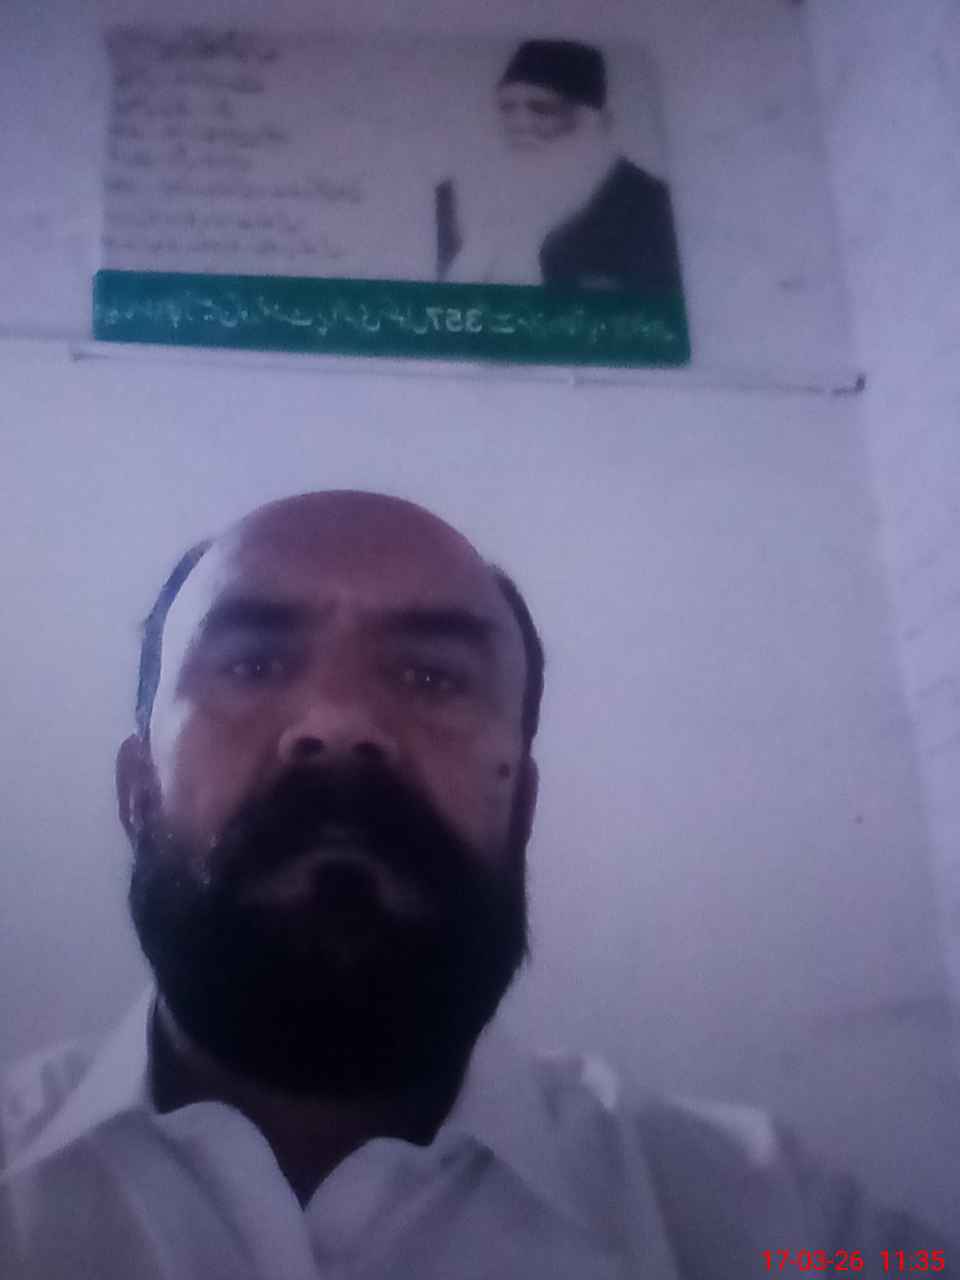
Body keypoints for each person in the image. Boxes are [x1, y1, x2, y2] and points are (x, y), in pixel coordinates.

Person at [0, 490, 952, 1279]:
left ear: (520, 806)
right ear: (138, 794)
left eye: (430, 677)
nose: (339, 722)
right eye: (252, 662)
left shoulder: (780, 1223)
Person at [437, 39, 684, 294]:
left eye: (542, 109)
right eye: (507, 107)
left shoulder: (649, 202)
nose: (520, 123)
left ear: (588, 119)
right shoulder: (451, 197)